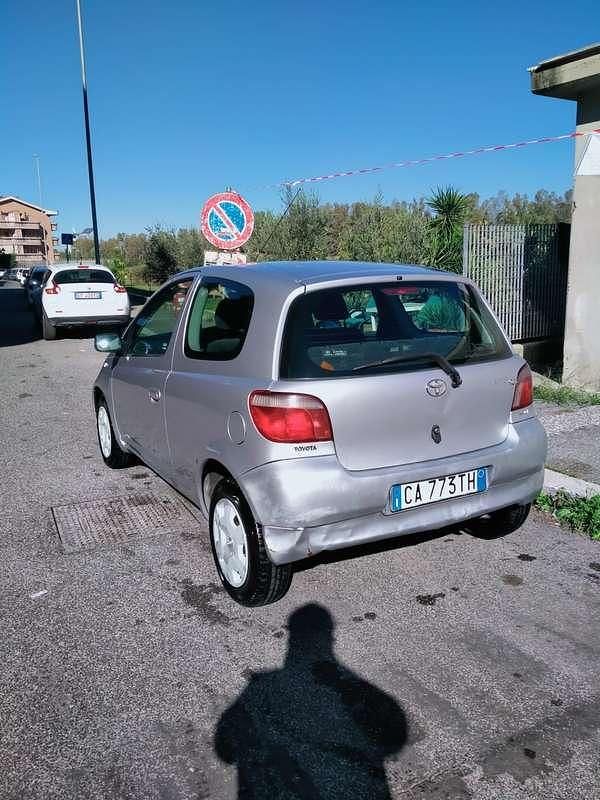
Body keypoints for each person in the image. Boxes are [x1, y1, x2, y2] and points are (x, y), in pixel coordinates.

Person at [215, 603, 407, 799]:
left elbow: (224, 749)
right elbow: (396, 736)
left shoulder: (261, 687)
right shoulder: (355, 690)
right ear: (329, 638)